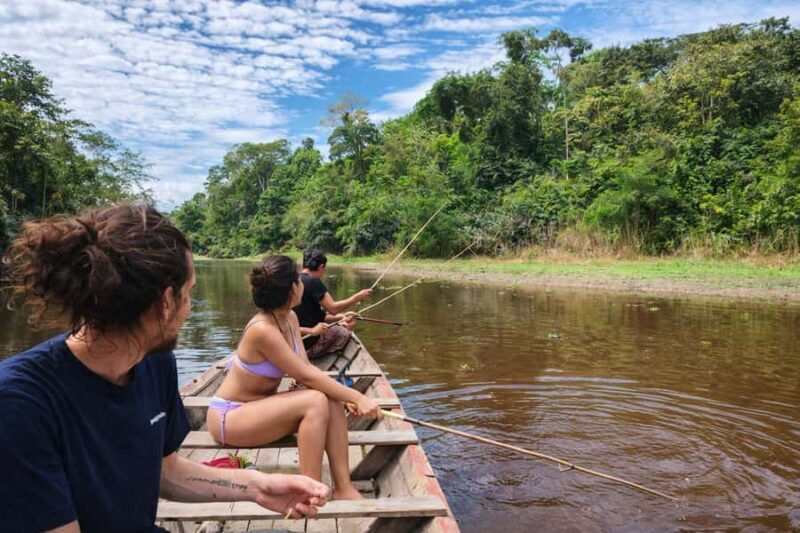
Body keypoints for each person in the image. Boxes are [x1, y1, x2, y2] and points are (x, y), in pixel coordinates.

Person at [0, 204, 328, 532]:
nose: (188, 310)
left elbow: (165, 473)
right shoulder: (20, 402)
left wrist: (256, 486)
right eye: (190, 294)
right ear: (167, 301)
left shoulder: (154, 362)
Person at [207, 255, 382, 500]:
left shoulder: (290, 318)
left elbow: (306, 368)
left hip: (258, 409)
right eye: (299, 281)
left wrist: (343, 397)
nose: (303, 284)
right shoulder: (262, 329)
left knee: (330, 399)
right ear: (292, 288)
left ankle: (343, 488)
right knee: (316, 400)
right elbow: (305, 374)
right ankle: (309, 493)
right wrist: (357, 396)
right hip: (230, 417)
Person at [294, 249, 372, 359]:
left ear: (303, 265)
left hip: (293, 337)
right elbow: (333, 309)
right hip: (307, 338)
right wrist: (357, 297)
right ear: (321, 267)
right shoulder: (313, 281)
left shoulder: (294, 280)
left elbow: (319, 316)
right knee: (343, 332)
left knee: (340, 325)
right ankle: (309, 355)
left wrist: (342, 317)